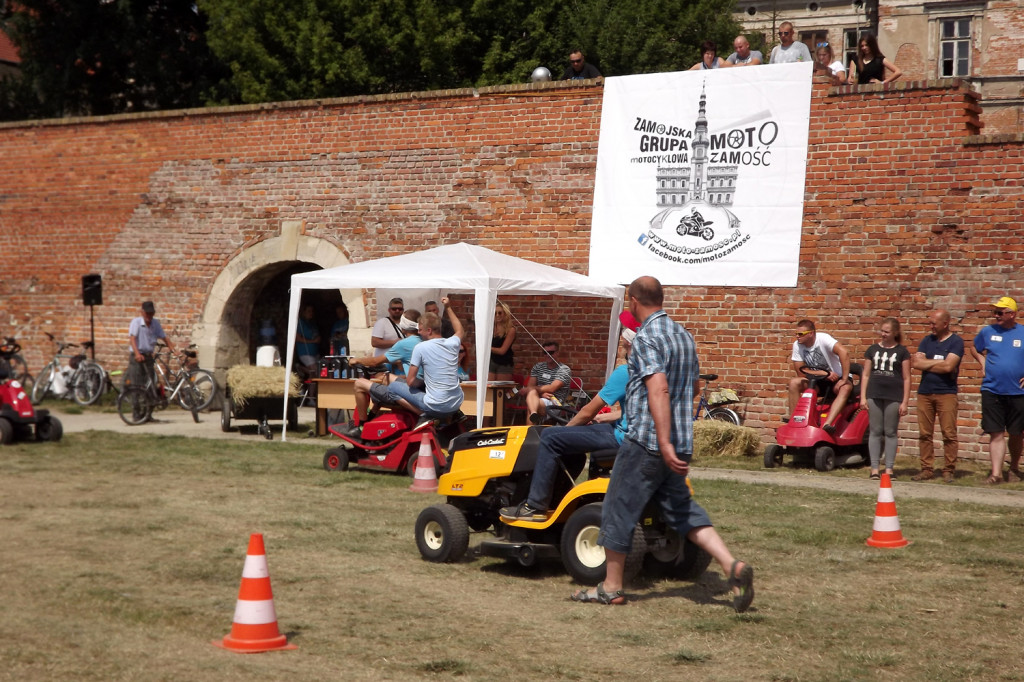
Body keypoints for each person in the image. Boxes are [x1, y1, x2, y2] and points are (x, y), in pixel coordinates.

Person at [571, 277, 753, 611]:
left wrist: (663, 441)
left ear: (633, 301)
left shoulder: (645, 339)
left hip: (648, 442)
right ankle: (732, 566)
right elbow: (694, 388)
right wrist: (673, 440)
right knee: (683, 511)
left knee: (617, 507)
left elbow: (659, 389)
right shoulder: (683, 335)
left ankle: (611, 587)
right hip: (682, 440)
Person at [501, 316, 638, 520]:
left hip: (621, 437)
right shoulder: (655, 372)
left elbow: (587, 411)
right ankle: (557, 500)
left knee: (550, 436)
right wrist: (609, 416)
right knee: (573, 450)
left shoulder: (625, 372)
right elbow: (638, 408)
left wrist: (565, 431)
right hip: (635, 434)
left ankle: (535, 505)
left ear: (629, 345)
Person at [366, 300, 465, 419]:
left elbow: (410, 381)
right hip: (456, 403)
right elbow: (460, 330)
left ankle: (425, 416)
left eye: (420, 329)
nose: (418, 332)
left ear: (429, 330)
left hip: (435, 406)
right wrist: (448, 307)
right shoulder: (452, 343)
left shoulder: (420, 347)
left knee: (392, 387)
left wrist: (423, 380)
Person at [968, 296, 1024, 485]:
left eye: (1000, 312)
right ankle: (996, 474)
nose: (996, 315)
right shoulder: (987, 332)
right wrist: (981, 360)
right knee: (996, 432)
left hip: (1018, 392)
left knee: (1016, 433)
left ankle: (1014, 468)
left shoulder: (1022, 333)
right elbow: (974, 348)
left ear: (1012, 314)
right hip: (992, 390)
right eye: (995, 312)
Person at [911, 309, 964, 483]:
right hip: (925, 392)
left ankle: (949, 469)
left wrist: (929, 363)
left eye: (934, 323)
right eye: (930, 322)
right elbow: (916, 363)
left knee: (948, 433)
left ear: (945, 324)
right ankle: (926, 469)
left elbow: (949, 367)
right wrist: (940, 363)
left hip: (946, 392)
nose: (931, 326)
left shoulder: (956, 342)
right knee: (925, 433)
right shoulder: (927, 340)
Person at [350, 310, 422, 425]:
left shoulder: (403, 344)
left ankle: (361, 425)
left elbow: (375, 361)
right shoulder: (424, 340)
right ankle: (373, 413)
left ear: (403, 325)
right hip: (419, 387)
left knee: (359, 384)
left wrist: (357, 360)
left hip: (410, 392)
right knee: (386, 378)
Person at [860, 318, 911, 480]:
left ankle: (889, 469)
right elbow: (866, 374)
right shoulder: (872, 349)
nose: (883, 334)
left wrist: (905, 401)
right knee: (875, 431)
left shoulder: (902, 352)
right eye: (882, 331)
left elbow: (907, 378)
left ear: (895, 333)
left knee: (890, 432)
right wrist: (863, 396)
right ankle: (874, 468)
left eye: (887, 332)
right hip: (874, 394)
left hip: (893, 396)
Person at [788, 319, 852, 433]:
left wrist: (845, 379)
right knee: (794, 383)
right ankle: (795, 421)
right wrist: (823, 374)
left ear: (811, 333)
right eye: (796, 334)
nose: (797, 337)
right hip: (818, 381)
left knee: (845, 387)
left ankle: (827, 424)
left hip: (838, 379)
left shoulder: (823, 339)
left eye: (800, 334)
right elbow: (801, 373)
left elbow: (844, 352)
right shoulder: (797, 345)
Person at [128, 300, 178, 391]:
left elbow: (164, 338)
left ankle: (149, 402)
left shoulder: (155, 323)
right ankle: (136, 404)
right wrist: (137, 354)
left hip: (148, 356)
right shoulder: (136, 322)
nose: (149, 316)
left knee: (150, 380)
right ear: (142, 312)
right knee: (136, 382)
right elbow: (132, 339)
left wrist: (173, 350)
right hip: (137, 355)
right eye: (147, 313)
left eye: (151, 313)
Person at [523, 341, 574, 425]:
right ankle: (533, 414)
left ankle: (529, 432)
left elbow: (552, 388)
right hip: (538, 398)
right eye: (545, 352)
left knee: (532, 403)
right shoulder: (538, 367)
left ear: (557, 353)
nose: (548, 355)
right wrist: (541, 393)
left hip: (555, 402)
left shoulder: (564, 369)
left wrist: (537, 391)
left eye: (551, 352)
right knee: (532, 400)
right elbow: (530, 386)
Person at [488, 301, 516, 381]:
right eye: (495, 313)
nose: (497, 315)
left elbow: (502, 351)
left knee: (501, 389)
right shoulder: (490, 328)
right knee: (488, 388)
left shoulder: (511, 330)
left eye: (500, 313)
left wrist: (487, 348)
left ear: (505, 314)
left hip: (504, 362)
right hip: (491, 361)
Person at [295, 304, 321, 375]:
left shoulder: (313, 323)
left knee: (320, 371)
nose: (311, 313)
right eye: (309, 311)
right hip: (305, 353)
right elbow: (298, 338)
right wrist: (313, 341)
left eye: (312, 311)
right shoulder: (300, 323)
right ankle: (299, 367)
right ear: (303, 312)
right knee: (317, 373)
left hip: (315, 353)